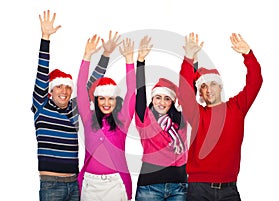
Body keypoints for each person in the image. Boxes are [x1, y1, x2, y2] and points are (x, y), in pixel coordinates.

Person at [179, 32, 263, 201]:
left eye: (212, 84)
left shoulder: (236, 107)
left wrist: (248, 55)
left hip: (229, 188)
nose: (208, 89)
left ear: (220, 87)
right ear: (200, 92)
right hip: (198, 188)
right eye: (203, 86)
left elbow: (255, 81)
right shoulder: (197, 114)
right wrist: (188, 58)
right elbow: (185, 92)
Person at [76, 32, 136, 201]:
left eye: (111, 98)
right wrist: (87, 56)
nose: (106, 103)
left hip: (116, 184)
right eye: (102, 98)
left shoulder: (122, 120)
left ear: (116, 100)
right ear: (96, 99)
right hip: (90, 184)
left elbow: (132, 92)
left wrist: (129, 61)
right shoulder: (88, 117)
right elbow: (81, 88)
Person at [32, 10, 80, 201]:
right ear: (50, 91)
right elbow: (42, 75)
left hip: (74, 183)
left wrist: (103, 56)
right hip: (51, 185)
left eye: (68, 87)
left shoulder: (73, 111)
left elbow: (90, 87)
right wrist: (45, 39)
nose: (64, 90)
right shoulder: (41, 107)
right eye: (59, 86)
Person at [134, 36, 188, 201]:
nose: (162, 102)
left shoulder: (181, 118)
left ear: (172, 101)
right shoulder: (145, 118)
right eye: (158, 97)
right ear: (152, 99)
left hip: (179, 186)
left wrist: (191, 59)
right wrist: (140, 62)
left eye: (167, 98)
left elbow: (189, 90)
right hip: (150, 187)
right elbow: (140, 89)